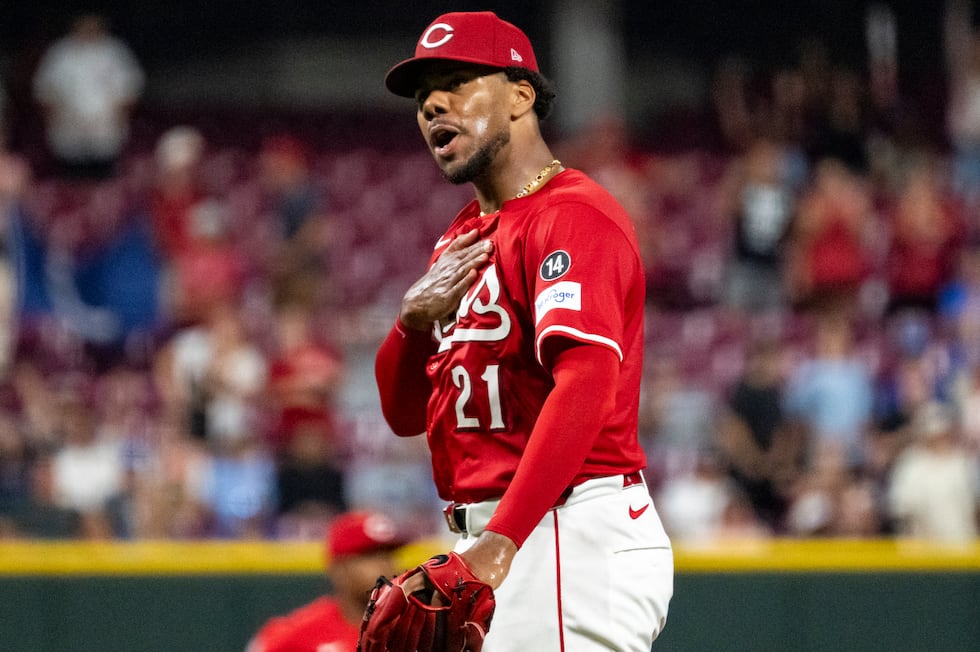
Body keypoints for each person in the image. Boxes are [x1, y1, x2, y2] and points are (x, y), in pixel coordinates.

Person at [374, 11, 672, 650]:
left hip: (564, 530)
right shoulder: (462, 236)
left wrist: (499, 545)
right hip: (503, 533)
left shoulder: (572, 215)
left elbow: (587, 380)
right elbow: (403, 414)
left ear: (520, 95)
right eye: (425, 97)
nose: (434, 105)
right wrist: (408, 325)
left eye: (456, 82)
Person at [246, 510, 407, 652]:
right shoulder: (295, 634)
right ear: (339, 569)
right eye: (371, 556)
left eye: (388, 556)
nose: (385, 566)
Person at [32, 13, 144, 180]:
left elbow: (130, 90)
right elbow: (44, 92)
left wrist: (117, 117)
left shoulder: (115, 51)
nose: (88, 28)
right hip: (68, 131)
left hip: (104, 130)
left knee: (105, 183)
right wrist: (55, 119)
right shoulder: (59, 53)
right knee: (69, 181)